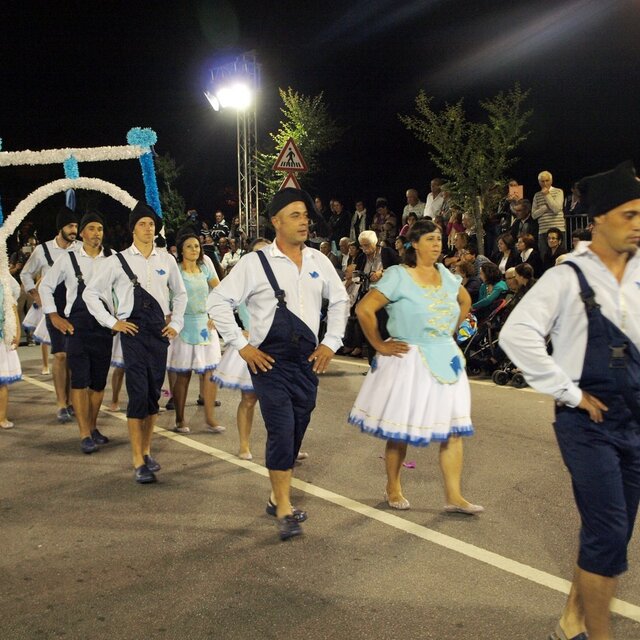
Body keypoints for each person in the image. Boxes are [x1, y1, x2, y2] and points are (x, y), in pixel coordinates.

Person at [499, 160, 640, 640]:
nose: (637, 224)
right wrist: (569, 392)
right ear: (598, 219)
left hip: (634, 420)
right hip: (588, 423)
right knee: (607, 531)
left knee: (615, 534)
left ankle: (570, 622)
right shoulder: (567, 277)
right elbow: (516, 335)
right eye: (628, 215)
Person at [208, 188, 349, 540]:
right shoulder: (254, 263)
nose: (304, 222)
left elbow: (340, 300)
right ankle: (284, 508)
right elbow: (217, 301)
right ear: (276, 221)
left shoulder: (319, 261)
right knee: (282, 428)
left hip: (306, 362)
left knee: (299, 422)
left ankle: (276, 496)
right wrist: (242, 346)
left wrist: (331, 342)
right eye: (295, 215)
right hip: (268, 363)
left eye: (305, 216)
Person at [349, 219, 483, 514]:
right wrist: (379, 344)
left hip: (445, 358)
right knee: (400, 430)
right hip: (408, 359)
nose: (437, 244)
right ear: (415, 244)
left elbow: (465, 300)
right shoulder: (398, 275)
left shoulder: (445, 274)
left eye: (439, 239)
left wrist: (450, 331)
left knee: (453, 428)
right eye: (430, 239)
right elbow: (364, 308)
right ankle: (393, 487)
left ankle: (454, 496)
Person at [83, 201, 187, 484]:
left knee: (153, 394)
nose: (148, 228)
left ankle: (147, 451)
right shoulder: (116, 261)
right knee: (138, 394)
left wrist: (176, 323)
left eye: (151, 224)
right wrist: (112, 322)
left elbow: (180, 295)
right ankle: (137, 460)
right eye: (142, 224)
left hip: (159, 334)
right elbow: (90, 294)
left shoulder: (167, 260)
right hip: (133, 334)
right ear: (133, 229)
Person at [39, 212, 114, 454]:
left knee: (99, 383)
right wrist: (54, 316)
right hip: (78, 327)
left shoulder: (113, 258)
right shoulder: (68, 259)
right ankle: (84, 434)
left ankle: (93, 427)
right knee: (80, 381)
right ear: (82, 233)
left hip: (103, 327)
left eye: (100, 229)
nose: (96, 233)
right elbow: (46, 287)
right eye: (91, 228)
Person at [212, 238, 270, 460]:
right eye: (258, 253)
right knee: (249, 398)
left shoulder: (284, 276)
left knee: (284, 401)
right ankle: (244, 445)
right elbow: (222, 304)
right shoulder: (244, 279)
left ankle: (289, 446)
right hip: (252, 346)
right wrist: (239, 331)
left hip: (281, 347)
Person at [20, 207, 78, 422]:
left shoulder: (81, 248)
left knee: (73, 357)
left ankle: (72, 401)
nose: (74, 230)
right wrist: (36, 295)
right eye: (70, 226)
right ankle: (61, 403)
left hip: (76, 308)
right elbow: (26, 273)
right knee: (60, 355)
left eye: (76, 226)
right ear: (60, 228)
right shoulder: (42, 250)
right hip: (54, 309)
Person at [166, 231, 222, 435]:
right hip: (183, 325)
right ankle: (180, 419)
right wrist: (169, 318)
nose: (194, 249)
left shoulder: (205, 268)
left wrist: (215, 314)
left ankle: (210, 418)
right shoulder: (175, 270)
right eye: (189, 246)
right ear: (181, 249)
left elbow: (220, 291)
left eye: (197, 246)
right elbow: (167, 296)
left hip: (205, 325)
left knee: (209, 373)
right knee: (183, 375)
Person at [0, 275, 22, 429]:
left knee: (1, 382)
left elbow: (12, 307)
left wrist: (17, 332)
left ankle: (2, 417)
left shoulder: (4, 281)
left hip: (2, 337)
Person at [532, 170, 565, 258]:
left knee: (559, 256)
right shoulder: (537, 195)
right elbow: (534, 215)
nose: (545, 183)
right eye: (542, 181)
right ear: (539, 182)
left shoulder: (558, 191)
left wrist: (547, 195)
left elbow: (556, 209)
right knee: (544, 256)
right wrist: (545, 207)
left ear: (551, 180)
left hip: (557, 229)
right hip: (543, 230)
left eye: (547, 180)